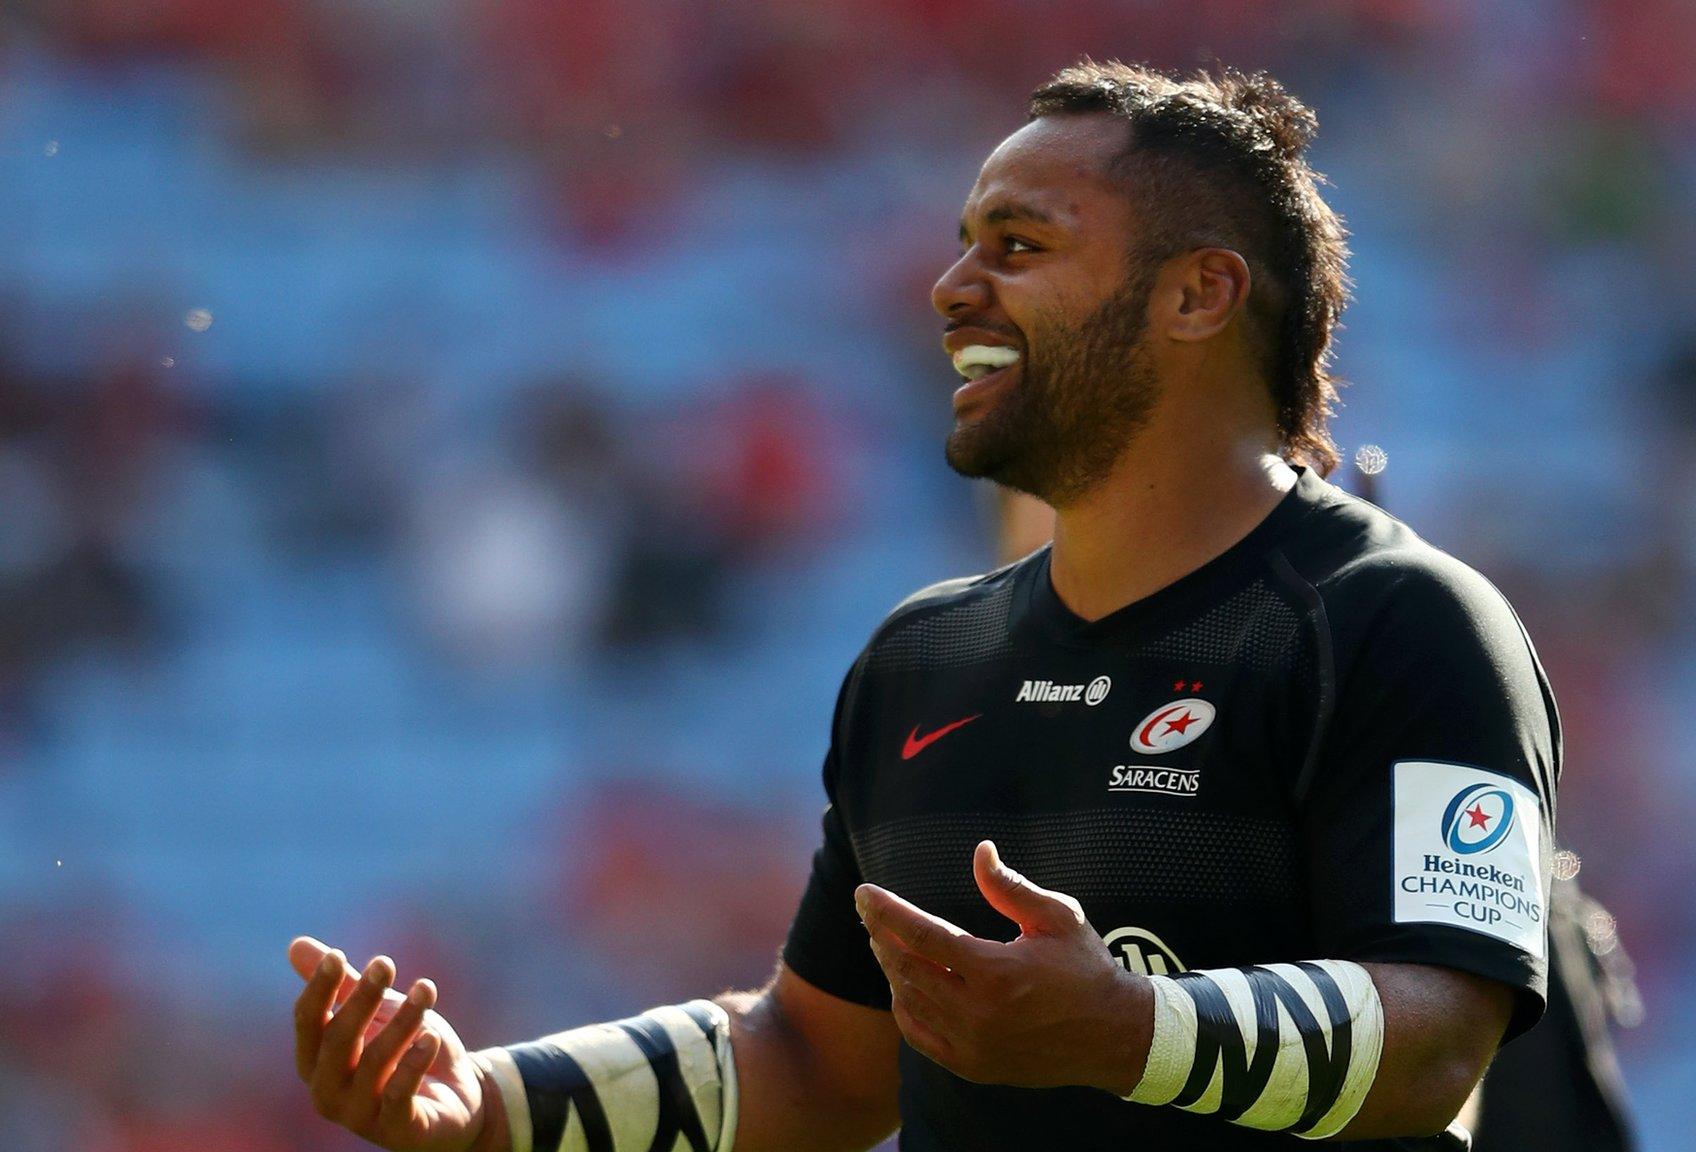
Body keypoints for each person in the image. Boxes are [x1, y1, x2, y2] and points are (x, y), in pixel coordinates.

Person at [288, 60, 1564, 1152]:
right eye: (962, 244)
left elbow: (1440, 1036)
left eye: (1018, 245)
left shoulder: (1399, 622)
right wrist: (494, 1104)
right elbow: (818, 1059)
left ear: (1197, 295)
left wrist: (1126, 1031)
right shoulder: (925, 656)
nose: (953, 286)